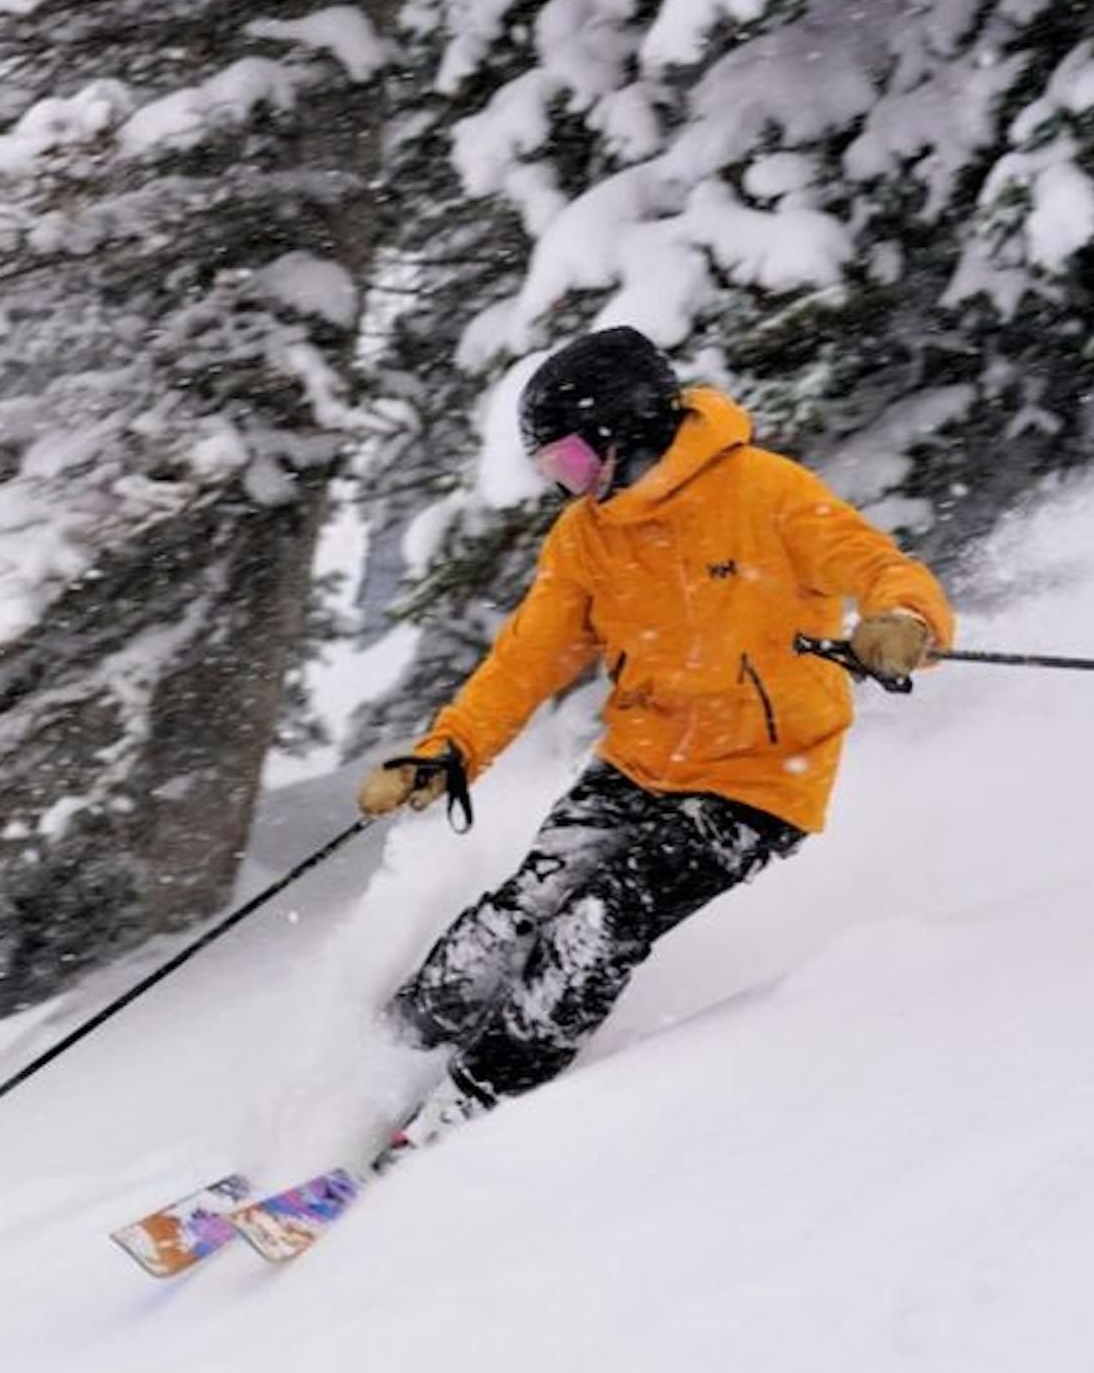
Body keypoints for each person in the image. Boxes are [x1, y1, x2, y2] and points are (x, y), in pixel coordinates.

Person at [354, 324, 953, 1159]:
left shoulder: (765, 493)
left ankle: (474, 1105)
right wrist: (448, 751)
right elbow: (525, 661)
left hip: (756, 782)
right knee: (519, 907)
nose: (565, 488)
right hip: (640, 758)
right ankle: (377, 1070)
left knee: (600, 921)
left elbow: (883, 569)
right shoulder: (587, 538)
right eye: (549, 471)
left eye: (567, 463)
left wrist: (903, 622)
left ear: (623, 433)